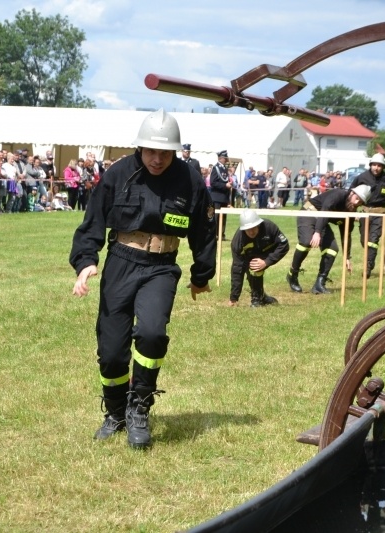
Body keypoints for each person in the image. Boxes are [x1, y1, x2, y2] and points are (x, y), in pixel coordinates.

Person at [69, 108, 216, 450]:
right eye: (151, 151)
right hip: (121, 261)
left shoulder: (190, 178)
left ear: (176, 151)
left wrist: (201, 273)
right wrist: (86, 261)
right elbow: (92, 220)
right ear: (140, 147)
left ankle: (139, 409)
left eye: (165, 152)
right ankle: (116, 412)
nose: (157, 159)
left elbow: (204, 228)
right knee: (111, 351)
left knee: (151, 333)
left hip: (161, 266)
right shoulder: (118, 173)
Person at [285, 184, 372, 294]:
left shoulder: (351, 211)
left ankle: (319, 284)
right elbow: (324, 211)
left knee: (332, 249)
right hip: (309, 212)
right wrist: (317, 232)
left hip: (322, 220)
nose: (356, 203)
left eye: (360, 202)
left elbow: (346, 233)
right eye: (357, 199)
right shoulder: (338, 195)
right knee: (306, 242)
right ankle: (292, 274)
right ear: (352, 193)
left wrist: (347, 256)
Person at [350, 153, 385, 277]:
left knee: (373, 240)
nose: (376, 168)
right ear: (370, 165)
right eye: (374, 165)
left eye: (379, 165)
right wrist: (354, 212)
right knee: (364, 240)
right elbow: (351, 194)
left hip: (379, 214)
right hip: (364, 213)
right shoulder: (361, 177)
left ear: (383, 166)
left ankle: (368, 266)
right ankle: (369, 260)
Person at [229, 210, 290, 307]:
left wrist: (267, 261)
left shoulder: (269, 227)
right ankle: (259, 297)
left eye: (253, 227)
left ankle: (257, 298)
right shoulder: (238, 241)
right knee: (253, 266)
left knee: (256, 265)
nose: (251, 231)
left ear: (258, 224)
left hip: (267, 253)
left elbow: (284, 245)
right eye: (248, 229)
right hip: (249, 256)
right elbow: (237, 269)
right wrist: (233, 298)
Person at [209, 150, 232, 241]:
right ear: (221, 158)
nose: (226, 160)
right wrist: (224, 185)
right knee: (216, 217)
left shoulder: (224, 169)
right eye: (225, 158)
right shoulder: (216, 168)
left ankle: (221, 234)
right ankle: (214, 234)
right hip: (217, 197)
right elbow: (212, 182)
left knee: (223, 218)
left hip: (224, 198)